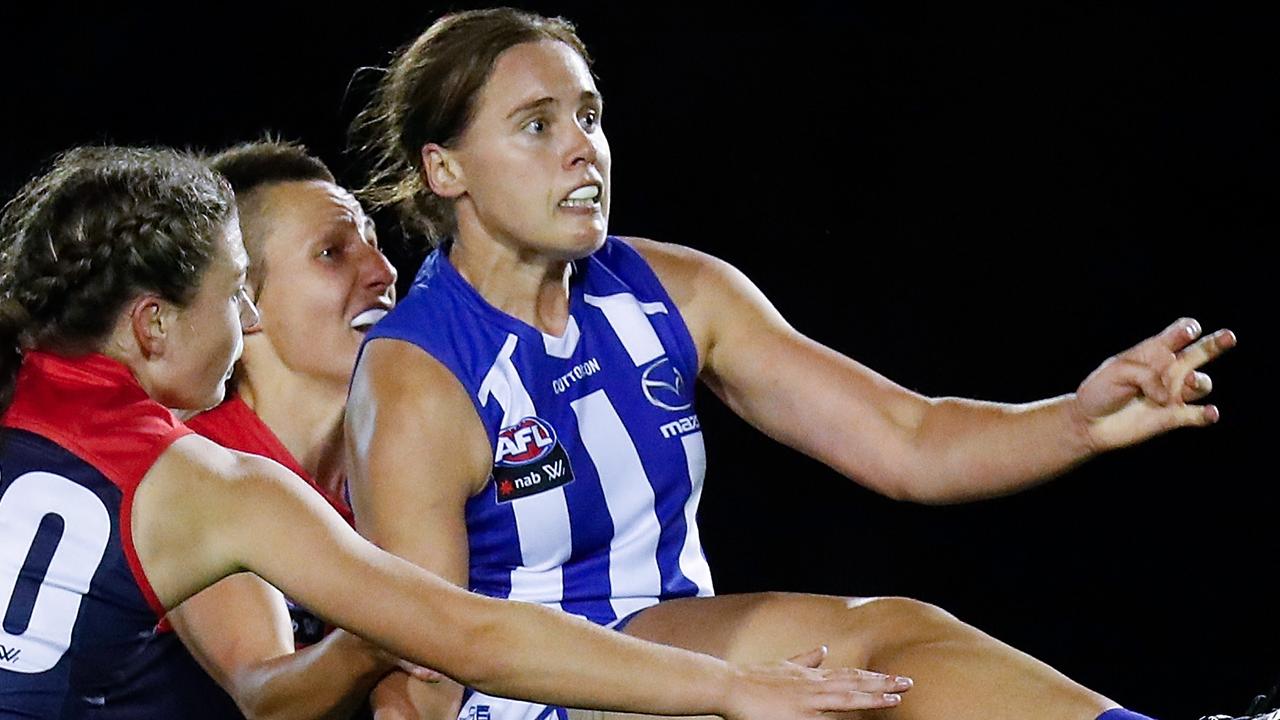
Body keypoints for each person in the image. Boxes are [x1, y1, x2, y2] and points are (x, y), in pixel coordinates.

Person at [345, 8, 1236, 720]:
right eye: (537, 126)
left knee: (891, 640)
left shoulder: (674, 290)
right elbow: (437, 655)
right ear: (446, 168)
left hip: (674, 649)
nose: (583, 147)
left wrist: (1078, 421)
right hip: (525, 692)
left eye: (588, 115)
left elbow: (908, 438)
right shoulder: (418, 371)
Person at [0, 145, 907, 718]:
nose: (243, 316)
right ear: (154, 324)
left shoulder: (28, 426)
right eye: (233, 291)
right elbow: (470, 637)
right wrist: (731, 688)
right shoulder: (209, 479)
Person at [98, 138, 424, 720]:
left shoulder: (398, 466)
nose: (382, 271)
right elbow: (271, 701)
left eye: (373, 246)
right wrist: (397, 630)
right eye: (332, 252)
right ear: (243, 302)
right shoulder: (199, 468)